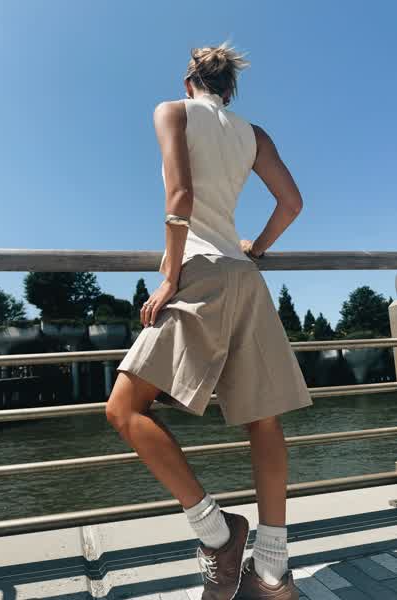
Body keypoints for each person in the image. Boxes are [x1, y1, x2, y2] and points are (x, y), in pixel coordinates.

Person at [107, 40, 312, 600]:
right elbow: (292, 203)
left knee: (124, 409)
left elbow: (179, 198)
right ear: (230, 90)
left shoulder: (172, 111)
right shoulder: (254, 134)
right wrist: (257, 249)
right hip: (246, 278)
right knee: (264, 423)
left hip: (200, 272)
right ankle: (272, 575)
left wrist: (169, 278)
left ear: (188, 81)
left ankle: (217, 534)